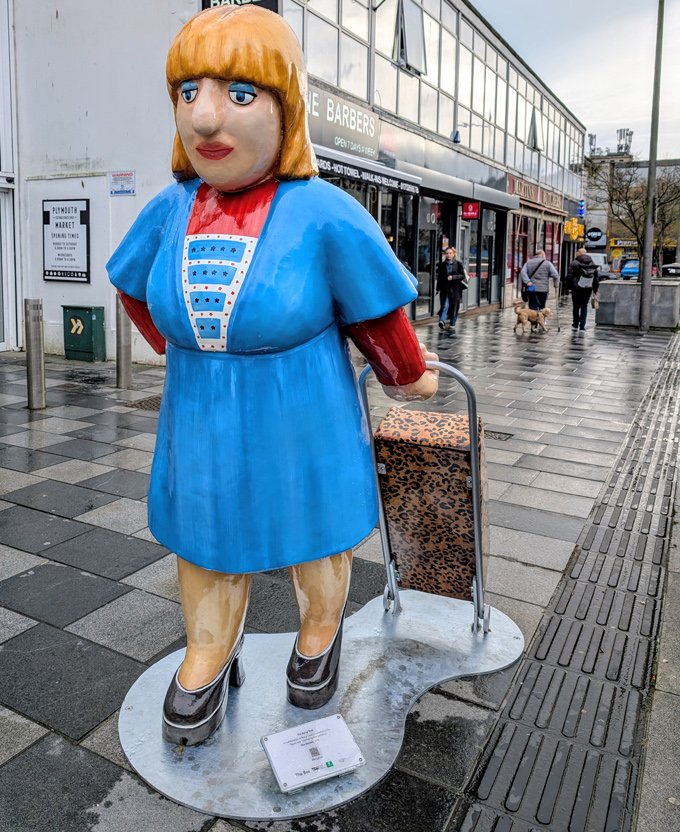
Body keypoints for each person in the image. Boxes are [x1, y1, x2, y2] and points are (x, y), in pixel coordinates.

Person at [107, 5, 438, 748]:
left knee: (313, 538)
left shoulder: (324, 213)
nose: (206, 117)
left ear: (286, 106)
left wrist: (406, 376)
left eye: (239, 93)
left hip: (303, 415)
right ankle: (209, 651)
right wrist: (173, 341)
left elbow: (376, 316)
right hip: (200, 417)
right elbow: (131, 283)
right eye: (188, 91)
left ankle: (317, 637)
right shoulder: (171, 208)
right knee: (205, 541)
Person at [566, 247, 601, 331]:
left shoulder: (574, 263)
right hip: (587, 288)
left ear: (578, 253)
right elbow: (596, 278)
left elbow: (569, 276)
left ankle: (575, 324)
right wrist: (595, 290)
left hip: (576, 288)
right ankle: (582, 326)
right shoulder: (592, 263)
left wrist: (569, 287)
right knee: (584, 306)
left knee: (576, 306)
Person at [436, 246, 468, 332]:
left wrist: (453, 277)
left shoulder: (458, 264)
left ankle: (453, 323)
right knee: (445, 305)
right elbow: (439, 277)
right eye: (447, 253)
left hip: (455, 289)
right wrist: (437, 288)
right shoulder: (442, 265)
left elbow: (462, 275)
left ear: (454, 254)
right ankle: (442, 321)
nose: (448, 255)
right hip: (445, 289)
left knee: (454, 306)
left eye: (450, 253)